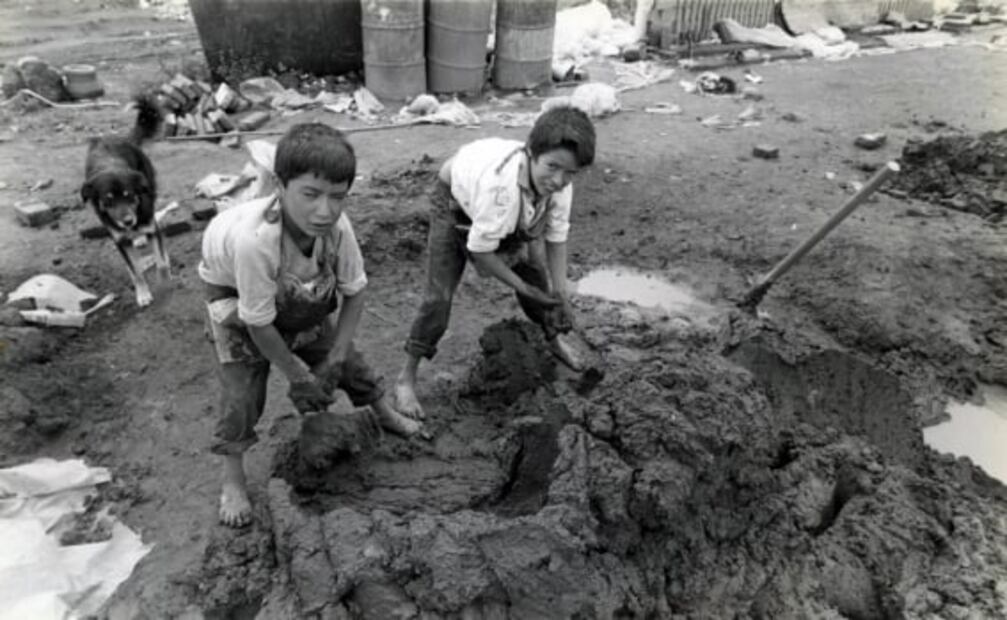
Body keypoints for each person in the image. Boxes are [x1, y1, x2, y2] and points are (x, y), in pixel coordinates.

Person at [198, 123, 420, 527]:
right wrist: (299, 374)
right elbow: (259, 323)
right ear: (280, 187)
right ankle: (232, 478)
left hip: (298, 293)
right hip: (235, 297)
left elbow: (355, 292)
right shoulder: (255, 241)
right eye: (311, 194)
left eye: (338, 197)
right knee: (242, 392)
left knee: (351, 361)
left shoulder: (337, 228)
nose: (325, 210)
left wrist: (334, 357)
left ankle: (383, 412)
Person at [395, 106, 596, 420]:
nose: (559, 180)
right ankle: (406, 378)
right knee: (439, 297)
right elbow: (482, 254)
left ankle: (553, 340)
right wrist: (522, 288)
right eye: (553, 167)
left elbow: (556, 237)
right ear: (531, 153)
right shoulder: (498, 190)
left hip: (516, 204)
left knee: (537, 275)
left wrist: (562, 293)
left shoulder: (557, 187)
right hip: (455, 202)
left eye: (570, 173)